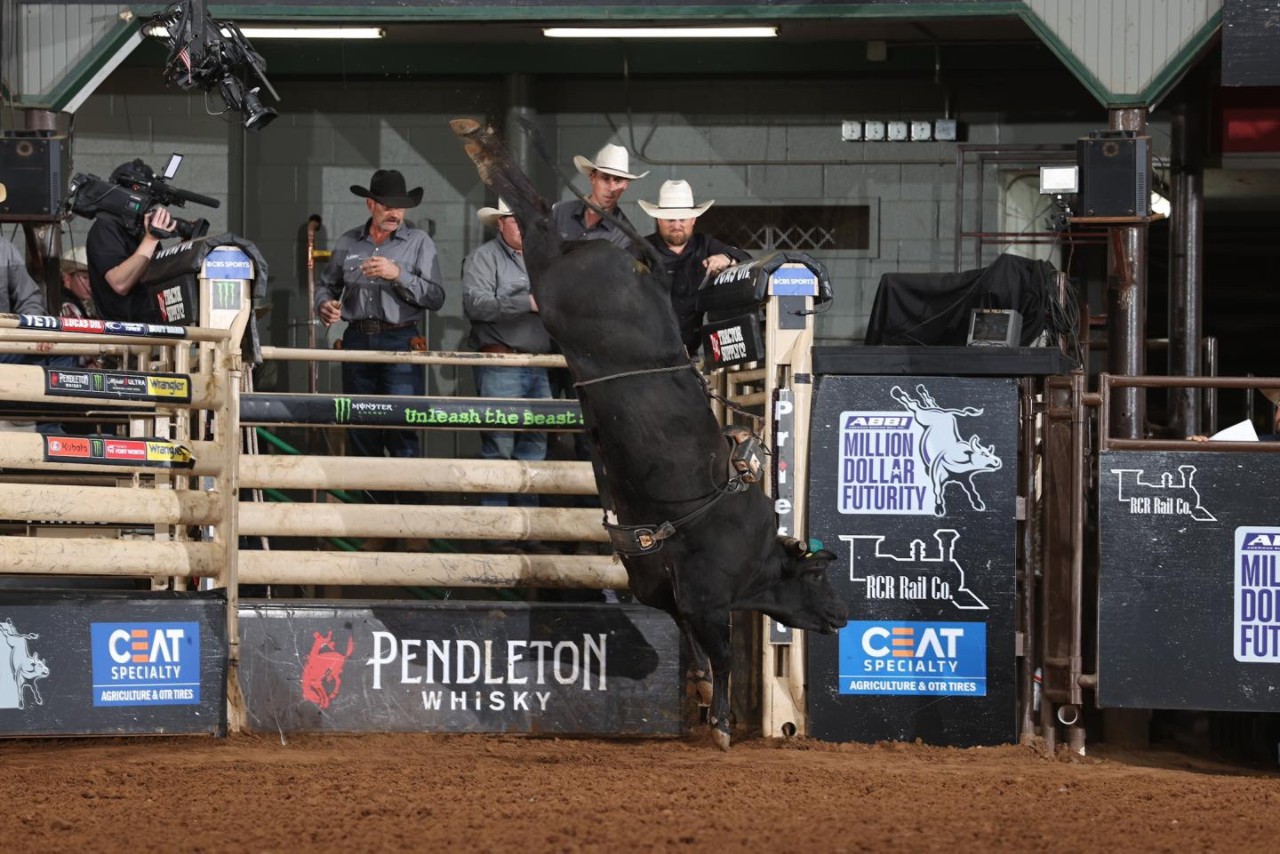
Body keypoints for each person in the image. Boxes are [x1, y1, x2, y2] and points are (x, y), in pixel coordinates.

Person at [314, 168, 445, 463]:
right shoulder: (349, 241)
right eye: (387, 206)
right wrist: (323, 305)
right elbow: (326, 286)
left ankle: (407, 506)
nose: (395, 213)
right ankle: (370, 504)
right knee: (360, 427)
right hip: (357, 339)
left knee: (403, 426)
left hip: (400, 339)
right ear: (370, 204)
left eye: (400, 207)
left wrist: (397, 274)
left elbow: (436, 297)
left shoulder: (419, 242)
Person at [462, 199, 557, 555]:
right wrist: (527, 302)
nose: (523, 227)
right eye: (516, 221)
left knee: (534, 448)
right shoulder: (484, 258)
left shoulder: (542, 260)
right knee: (500, 447)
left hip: (539, 363)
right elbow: (475, 305)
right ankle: (498, 532)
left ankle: (526, 530)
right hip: (501, 361)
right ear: (500, 223)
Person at [638, 179, 751, 358]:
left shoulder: (705, 245)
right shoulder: (641, 249)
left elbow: (747, 260)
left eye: (682, 219)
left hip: (691, 354)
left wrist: (726, 257)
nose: (676, 225)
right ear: (658, 219)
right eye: (670, 219)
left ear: (693, 219)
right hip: (647, 353)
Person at [85, 159, 175, 322]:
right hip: (123, 335)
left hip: (153, 328)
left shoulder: (141, 231)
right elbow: (120, 283)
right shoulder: (105, 227)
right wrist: (151, 238)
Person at [550, 143, 648, 248]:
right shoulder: (560, 212)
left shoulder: (625, 237)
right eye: (605, 178)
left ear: (625, 185)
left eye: (618, 181)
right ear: (592, 177)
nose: (611, 188)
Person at [58, 245, 98, 320]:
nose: (90, 284)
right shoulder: (68, 307)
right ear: (66, 278)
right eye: (85, 278)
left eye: (93, 279)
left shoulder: (82, 305)